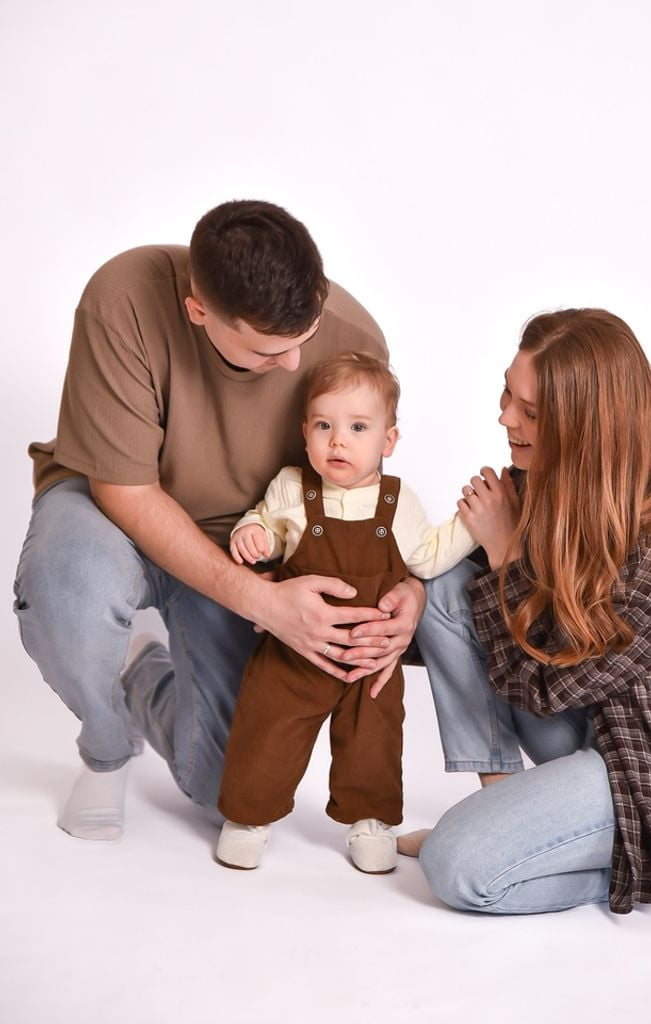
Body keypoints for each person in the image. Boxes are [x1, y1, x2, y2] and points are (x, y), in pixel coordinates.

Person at [13, 200, 425, 841]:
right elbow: (124, 490)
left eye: (304, 336)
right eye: (268, 351)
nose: (293, 365)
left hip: (246, 538)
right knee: (66, 584)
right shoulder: (123, 298)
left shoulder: (355, 338)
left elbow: (354, 492)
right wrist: (265, 605)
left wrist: (407, 586)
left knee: (222, 791)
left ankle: (140, 670)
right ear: (198, 310)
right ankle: (106, 748)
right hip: (112, 507)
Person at [403, 308, 651, 915]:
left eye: (531, 413)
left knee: (455, 868)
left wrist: (506, 552)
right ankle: (502, 798)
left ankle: (643, 871)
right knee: (445, 586)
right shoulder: (548, 479)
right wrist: (398, 601)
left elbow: (548, 684)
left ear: (586, 426)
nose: (506, 418)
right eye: (508, 396)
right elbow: (473, 627)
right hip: (596, 720)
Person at [216, 352, 476, 873]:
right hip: (292, 653)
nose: (339, 440)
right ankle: (249, 818)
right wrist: (253, 533)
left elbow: (426, 556)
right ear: (305, 433)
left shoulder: (397, 503)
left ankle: (372, 821)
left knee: (374, 743)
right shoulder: (293, 487)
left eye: (358, 427)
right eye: (324, 425)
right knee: (264, 734)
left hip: (370, 658)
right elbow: (267, 525)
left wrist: (475, 527)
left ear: (388, 441)